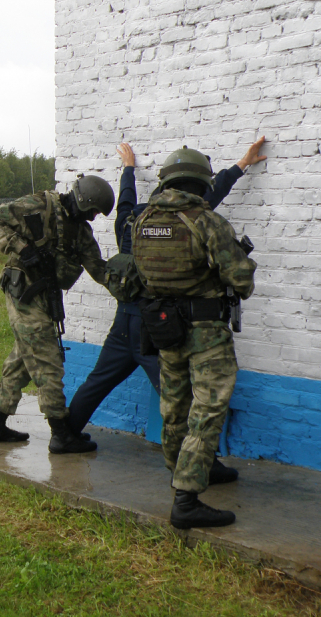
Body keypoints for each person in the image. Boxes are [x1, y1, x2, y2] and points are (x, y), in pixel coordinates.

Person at [67, 138, 266, 487]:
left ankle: (64, 432)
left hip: (128, 319)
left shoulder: (135, 221)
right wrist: (240, 165)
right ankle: (202, 465)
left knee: (100, 381)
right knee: (183, 400)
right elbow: (210, 195)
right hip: (159, 322)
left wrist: (128, 168)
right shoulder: (187, 220)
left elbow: (127, 197)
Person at [131, 148, 257, 529]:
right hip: (206, 334)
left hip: (166, 329)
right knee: (207, 410)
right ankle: (186, 498)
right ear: (202, 182)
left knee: (174, 408)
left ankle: (187, 471)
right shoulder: (207, 222)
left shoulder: (142, 221)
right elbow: (242, 281)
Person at [0, 173, 115, 454]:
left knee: (22, 360)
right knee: (47, 361)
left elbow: (100, 271)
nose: (91, 218)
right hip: (23, 293)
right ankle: (61, 433)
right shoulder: (38, 205)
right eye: (91, 211)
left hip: (44, 297)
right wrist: (22, 248)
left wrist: (135, 285)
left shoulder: (80, 232)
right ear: (82, 199)